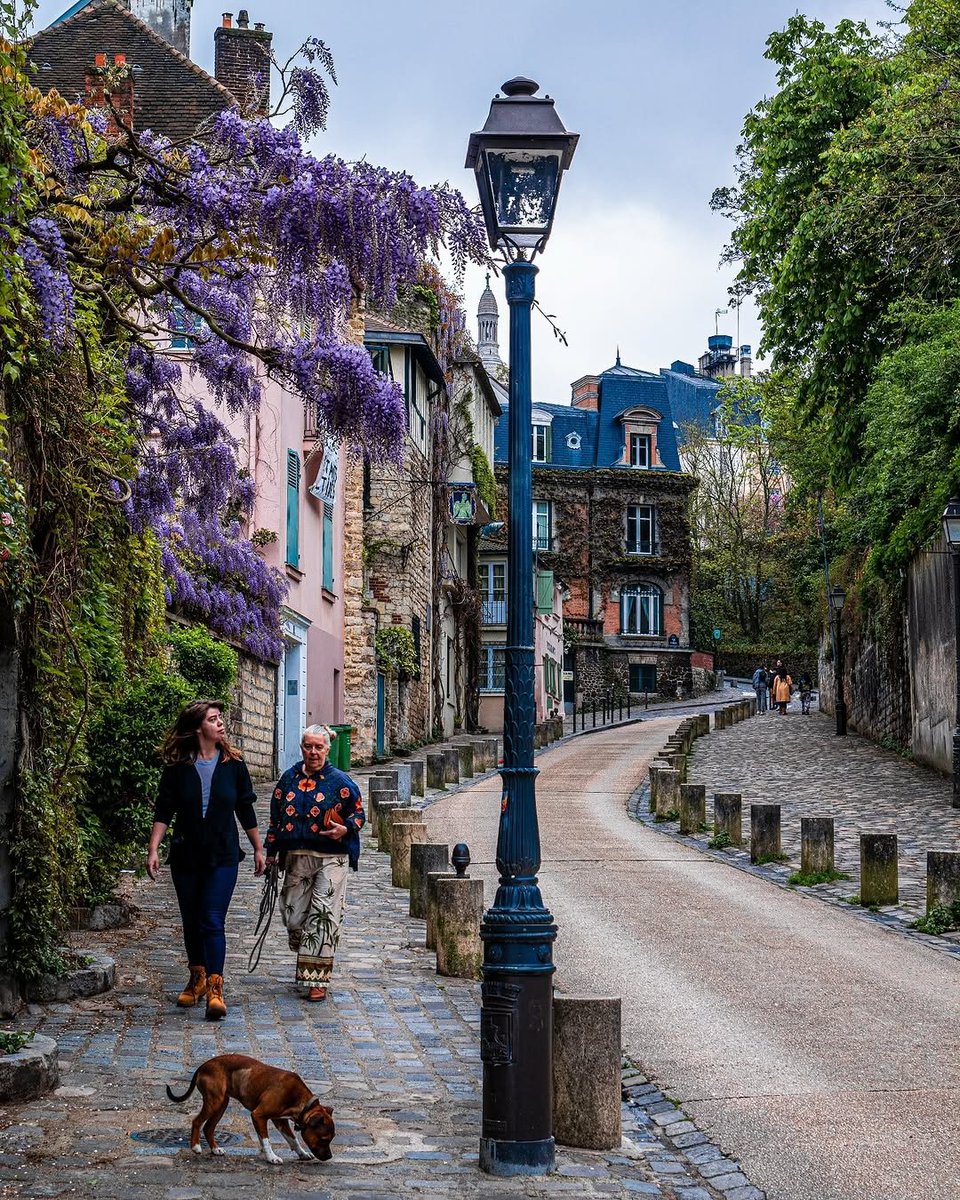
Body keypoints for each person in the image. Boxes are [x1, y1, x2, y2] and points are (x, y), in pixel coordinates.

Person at [146, 699, 265, 1021]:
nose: (221, 724)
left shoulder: (234, 765)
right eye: (214, 719)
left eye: (220, 718)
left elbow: (245, 808)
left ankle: (215, 987)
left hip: (223, 854)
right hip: (186, 854)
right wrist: (154, 848)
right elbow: (164, 810)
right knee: (191, 920)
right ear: (199, 727)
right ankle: (196, 978)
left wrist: (257, 848)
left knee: (212, 919)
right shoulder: (177, 768)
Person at [265, 725, 365, 1002]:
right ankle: (306, 946)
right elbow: (275, 819)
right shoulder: (288, 779)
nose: (313, 752)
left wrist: (345, 828)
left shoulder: (341, 782)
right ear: (301, 748)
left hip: (332, 857)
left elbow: (359, 815)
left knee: (323, 915)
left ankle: (316, 979)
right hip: (297, 856)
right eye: (308, 746)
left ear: (327, 749)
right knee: (294, 915)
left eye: (318, 747)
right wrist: (271, 852)